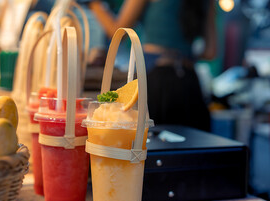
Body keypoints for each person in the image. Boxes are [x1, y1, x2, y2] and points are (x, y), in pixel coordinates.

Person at [89, 0, 217, 132]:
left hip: (157, 80)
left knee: (151, 145)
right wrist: (181, 54)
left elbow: (119, 33)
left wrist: (93, 4)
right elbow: (210, 52)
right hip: (190, 84)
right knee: (195, 147)